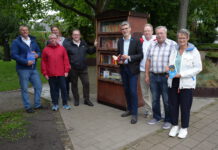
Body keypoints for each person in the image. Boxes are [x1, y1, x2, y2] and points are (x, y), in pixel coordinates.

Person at [167, 29, 202, 138]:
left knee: (185, 106)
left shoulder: (193, 51)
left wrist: (181, 74)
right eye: (179, 38)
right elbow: (171, 63)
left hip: (186, 83)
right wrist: (170, 72)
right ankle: (174, 125)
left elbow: (198, 68)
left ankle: (184, 128)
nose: (181, 40)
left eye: (183, 38)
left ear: (188, 38)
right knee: (173, 105)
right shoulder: (174, 50)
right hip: (174, 81)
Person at [145, 26, 176, 129]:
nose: (159, 35)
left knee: (167, 100)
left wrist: (171, 75)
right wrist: (146, 75)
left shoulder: (172, 44)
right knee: (154, 99)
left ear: (166, 34)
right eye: (158, 33)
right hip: (153, 76)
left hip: (166, 77)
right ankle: (157, 116)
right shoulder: (152, 45)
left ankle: (168, 120)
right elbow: (148, 61)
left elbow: (175, 62)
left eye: (161, 33)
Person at [11, 25, 42, 113]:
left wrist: (37, 55)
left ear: (28, 31)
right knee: (24, 88)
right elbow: (14, 55)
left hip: (33, 68)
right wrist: (25, 62)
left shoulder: (33, 40)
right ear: (20, 32)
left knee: (38, 86)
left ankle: (37, 104)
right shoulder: (16, 42)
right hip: (23, 69)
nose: (25, 31)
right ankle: (27, 106)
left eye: (26, 30)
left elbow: (39, 51)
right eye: (22, 30)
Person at [117, 21, 143, 124]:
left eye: (126, 28)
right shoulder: (120, 41)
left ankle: (134, 114)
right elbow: (118, 53)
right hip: (123, 69)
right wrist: (118, 58)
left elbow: (141, 55)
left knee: (133, 91)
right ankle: (129, 109)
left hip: (132, 70)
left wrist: (129, 57)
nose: (124, 30)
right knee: (126, 90)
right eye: (123, 29)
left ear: (130, 29)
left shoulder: (136, 41)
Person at [63, 29, 97, 106]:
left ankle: (86, 99)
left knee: (86, 83)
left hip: (83, 68)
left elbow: (90, 51)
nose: (76, 36)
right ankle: (76, 99)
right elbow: (64, 57)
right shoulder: (68, 45)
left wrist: (95, 46)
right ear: (72, 36)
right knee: (74, 85)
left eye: (77, 34)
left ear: (80, 35)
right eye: (74, 34)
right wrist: (67, 66)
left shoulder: (84, 44)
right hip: (73, 69)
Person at [41, 34, 71, 111]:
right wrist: (45, 73)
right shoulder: (45, 50)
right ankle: (55, 104)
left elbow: (66, 60)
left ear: (57, 39)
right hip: (51, 74)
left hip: (61, 73)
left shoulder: (62, 48)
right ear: (49, 40)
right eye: (51, 38)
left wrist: (66, 70)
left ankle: (65, 104)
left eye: (54, 38)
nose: (53, 40)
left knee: (64, 89)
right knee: (53, 90)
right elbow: (43, 62)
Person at [139, 24, 156, 117]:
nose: (147, 32)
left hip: (154, 71)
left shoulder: (157, 40)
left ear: (152, 32)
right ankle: (148, 111)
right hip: (142, 70)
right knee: (145, 93)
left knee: (155, 93)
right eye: (145, 31)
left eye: (148, 31)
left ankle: (157, 110)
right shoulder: (140, 41)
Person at [50, 26, 70, 101]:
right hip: (54, 64)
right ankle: (56, 97)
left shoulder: (65, 40)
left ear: (59, 31)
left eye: (56, 30)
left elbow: (69, 50)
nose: (55, 31)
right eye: (53, 30)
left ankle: (66, 95)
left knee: (66, 80)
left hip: (64, 63)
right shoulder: (49, 41)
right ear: (51, 32)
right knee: (56, 81)